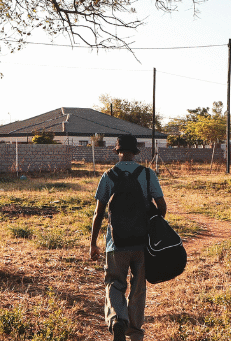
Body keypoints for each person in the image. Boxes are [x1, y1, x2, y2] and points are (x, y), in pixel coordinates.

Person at [90, 135, 166, 341]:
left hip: (116, 244)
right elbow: (161, 206)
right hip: (142, 244)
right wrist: (155, 231)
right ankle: (135, 332)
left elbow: (98, 213)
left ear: (118, 151)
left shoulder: (108, 176)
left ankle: (117, 320)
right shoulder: (148, 175)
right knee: (138, 289)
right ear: (135, 152)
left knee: (114, 283)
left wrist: (93, 243)